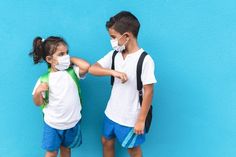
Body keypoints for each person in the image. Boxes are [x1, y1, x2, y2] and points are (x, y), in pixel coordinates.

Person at [89, 11, 157, 157]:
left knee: (133, 149)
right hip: (111, 113)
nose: (112, 41)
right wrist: (113, 72)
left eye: (113, 37)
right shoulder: (115, 55)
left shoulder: (145, 60)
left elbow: (149, 91)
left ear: (126, 36)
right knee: (106, 141)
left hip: (130, 118)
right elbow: (92, 69)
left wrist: (140, 120)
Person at [30, 36, 90, 157]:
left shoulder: (72, 72)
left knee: (66, 150)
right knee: (51, 153)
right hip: (53, 124)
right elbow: (38, 103)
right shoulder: (44, 79)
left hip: (72, 123)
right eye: (61, 54)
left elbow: (86, 66)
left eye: (67, 53)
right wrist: (37, 92)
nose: (66, 56)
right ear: (49, 59)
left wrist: (70, 59)